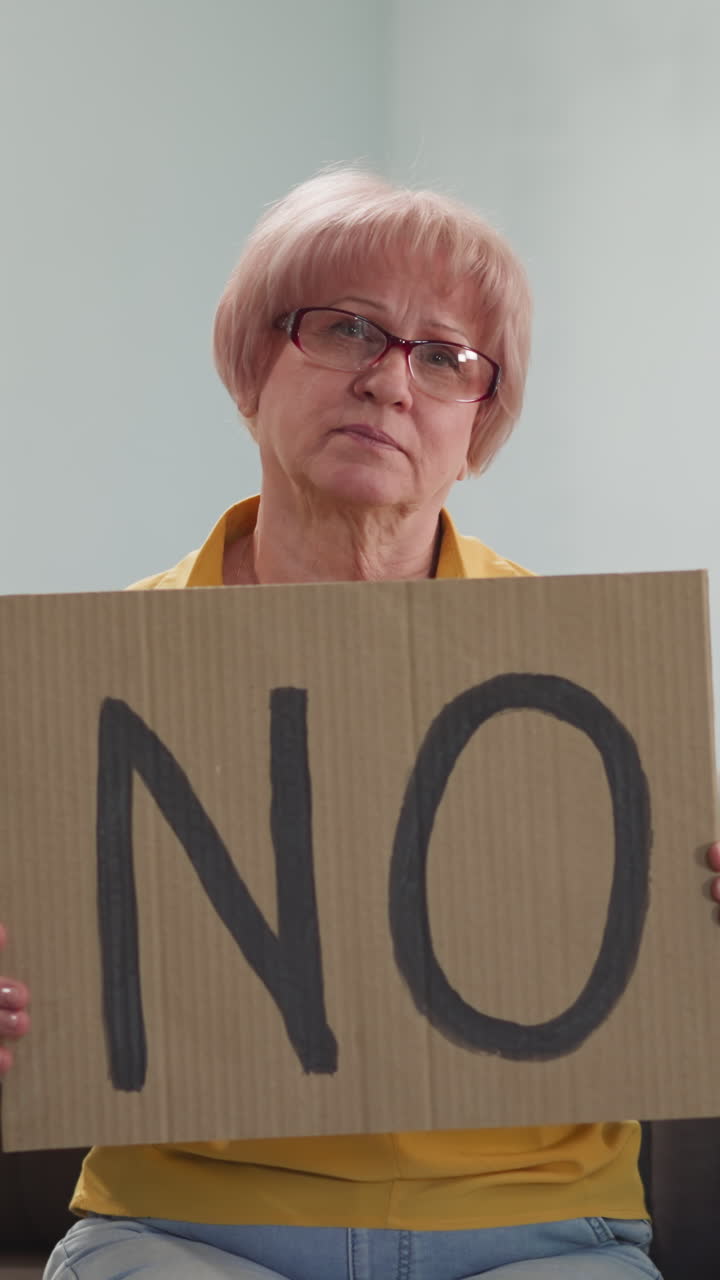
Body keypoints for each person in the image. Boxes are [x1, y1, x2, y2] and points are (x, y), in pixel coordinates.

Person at [0, 169, 718, 1279]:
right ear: (254, 362)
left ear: (479, 417)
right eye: (346, 328)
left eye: (444, 356)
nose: (392, 381)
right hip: (182, 1230)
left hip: (538, 1232)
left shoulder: (596, 672)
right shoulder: (88, 675)